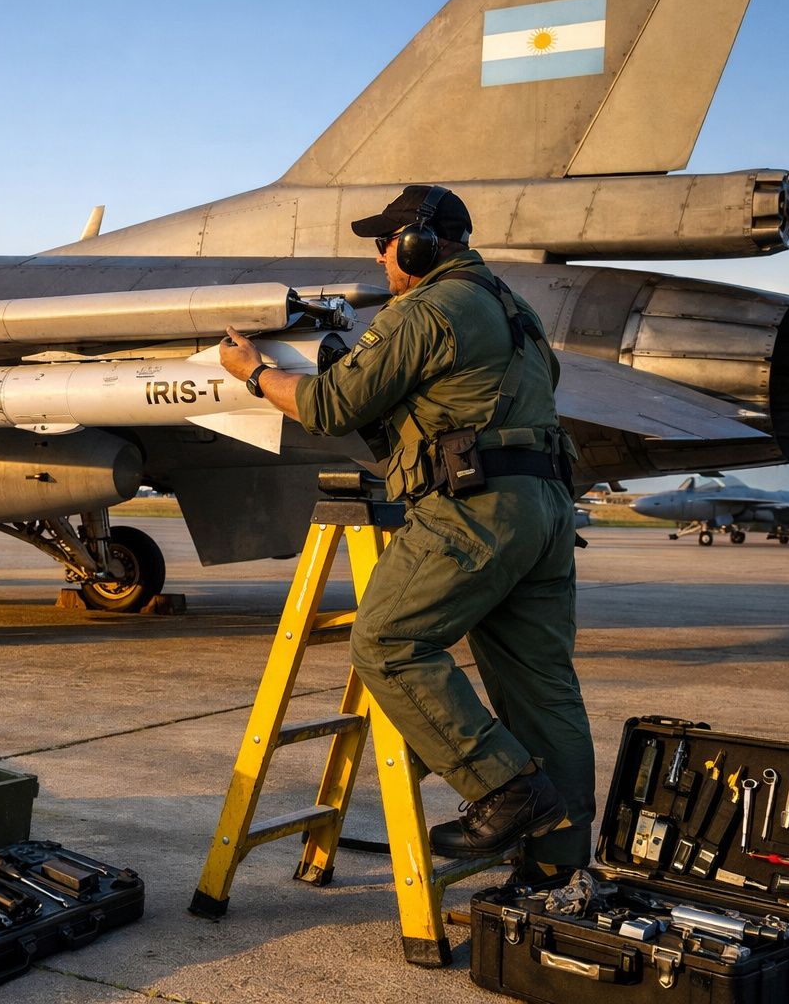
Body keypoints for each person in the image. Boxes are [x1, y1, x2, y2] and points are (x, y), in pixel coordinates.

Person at [219, 185, 595, 879]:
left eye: (385, 243)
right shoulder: (516, 310)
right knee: (542, 690)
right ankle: (558, 871)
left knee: (387, 642)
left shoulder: (427, 308)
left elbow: (329, 408)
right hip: (543, 508)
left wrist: (255, 373)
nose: (379, 257)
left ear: (419, 244)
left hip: (475, 507)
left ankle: (504, 789)